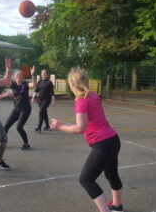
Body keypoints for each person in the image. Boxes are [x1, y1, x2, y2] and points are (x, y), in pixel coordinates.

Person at [51, 68, 124, 212]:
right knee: (111, 175)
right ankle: (117, 206)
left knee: (86, 179)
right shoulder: (92, 95)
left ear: (72, 82)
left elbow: (80, 128)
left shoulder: (81, 100)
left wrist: (60, 126)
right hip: (112, 140)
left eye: (68, 80)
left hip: (103, 144)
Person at [3, 66, 37, 150]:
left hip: (25, 109)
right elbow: (5, 82)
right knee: (6, 126)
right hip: (16, 109)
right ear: (15, 77)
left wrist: (33, 74)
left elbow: (33, 85)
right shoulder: (13, 85)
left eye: (20, 75)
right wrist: (8, 70)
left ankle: (26, 144)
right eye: (16, 75)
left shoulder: (25, 84)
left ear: (22, 77)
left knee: (19, 127)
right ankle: (2, 142)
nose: (18, 77)